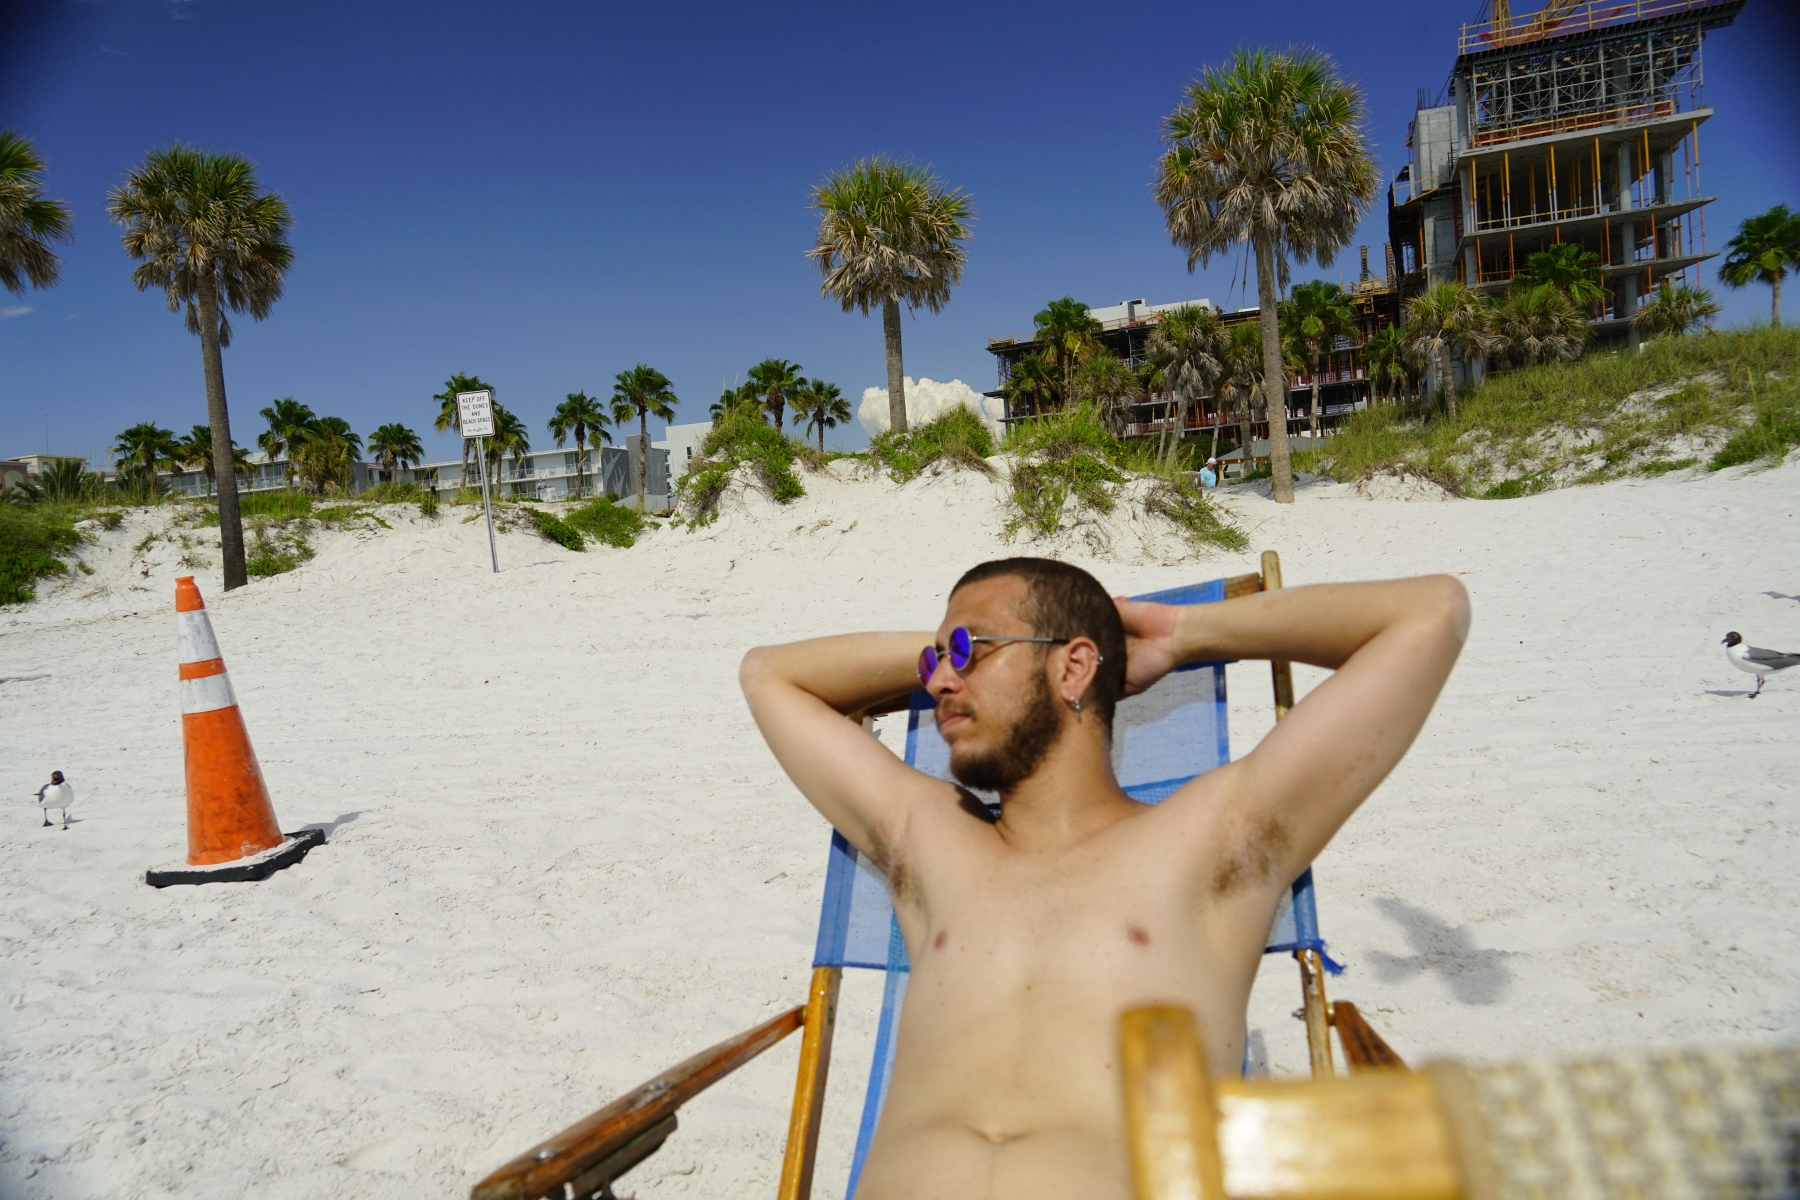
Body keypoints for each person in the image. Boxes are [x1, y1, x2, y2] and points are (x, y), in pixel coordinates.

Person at [740, 557, 1468, 1200]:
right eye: (935, 660)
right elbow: (769, 676)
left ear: (1074, 668)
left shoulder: (1213, 839)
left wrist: (1186, 633)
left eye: (967, 649)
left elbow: (1431, 612)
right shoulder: (929, 839)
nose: (937, 682)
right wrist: (958, 654)